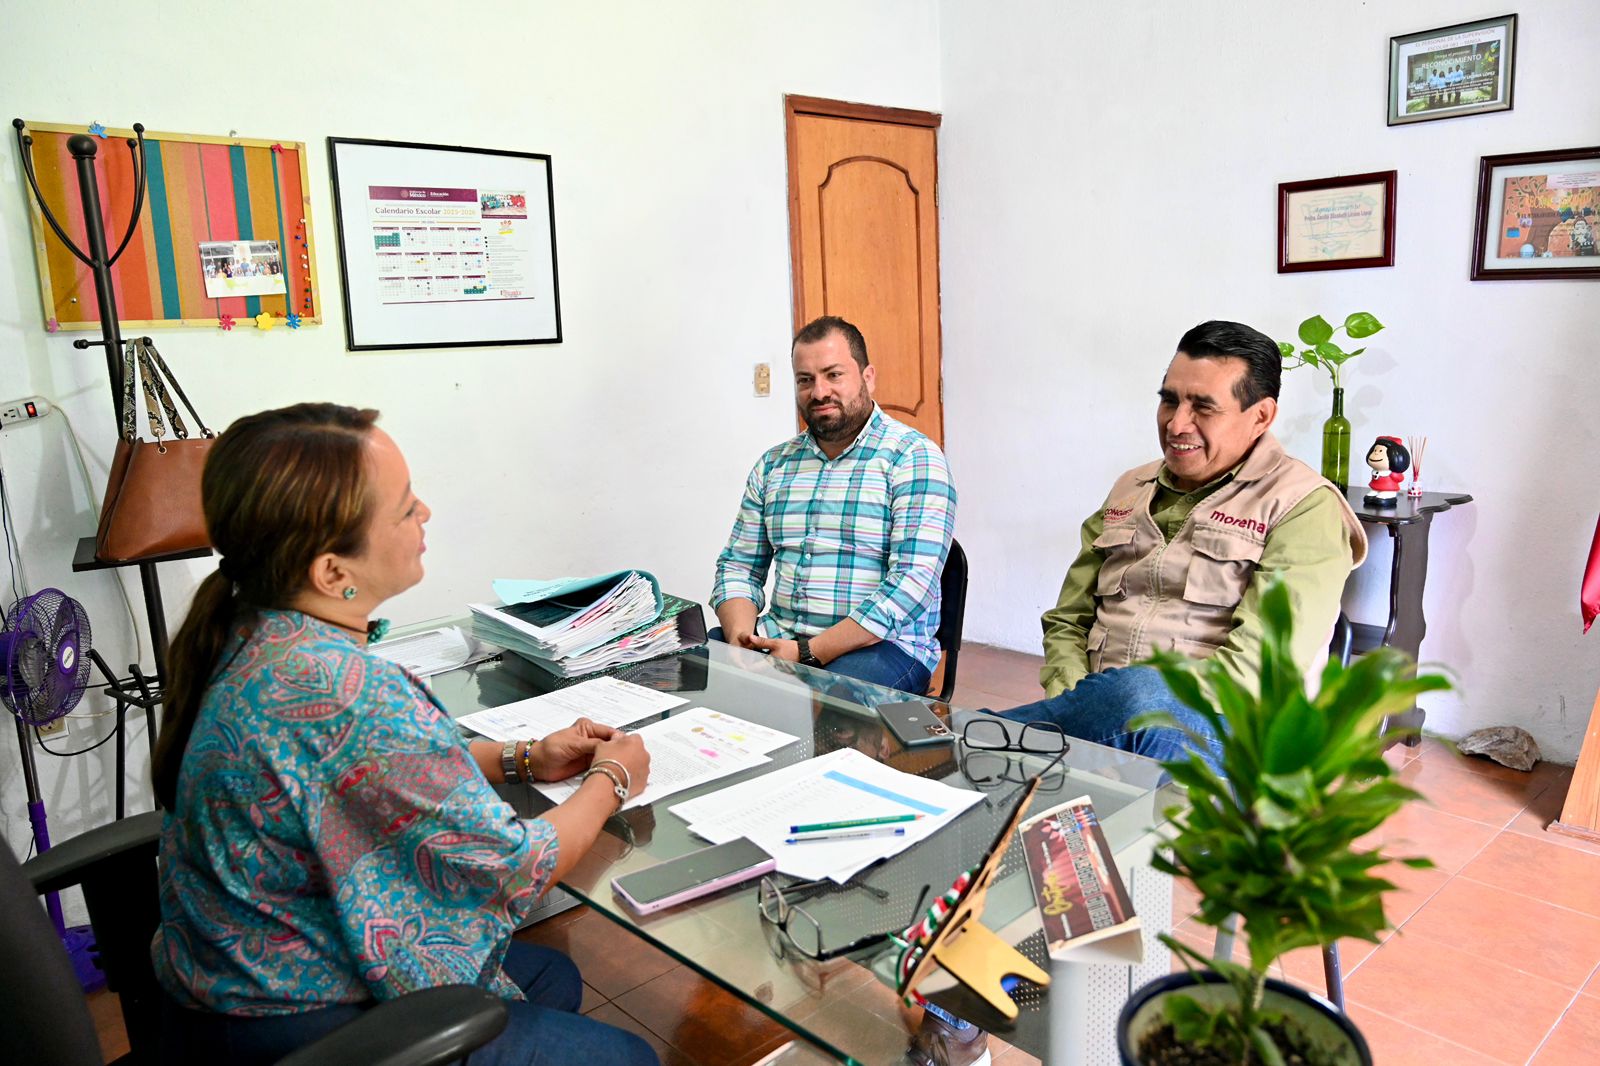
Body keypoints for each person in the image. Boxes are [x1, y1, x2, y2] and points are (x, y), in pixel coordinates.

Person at [148, 403, 658, 1065]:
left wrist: (524, 758)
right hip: (300, 1022)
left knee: (551, 976)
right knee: (630, 1057)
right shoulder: (345, 690)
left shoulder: (252, 628)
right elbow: (514, 871)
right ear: (333, 572)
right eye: (404, 507)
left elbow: (362, 774)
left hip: (226, 988)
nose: (426, 513)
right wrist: (613, 778)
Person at [989, 321, 1367, 772]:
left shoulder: (1303, 506)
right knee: (1052, 770)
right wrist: (1078, 701)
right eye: (1169, 400)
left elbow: (1258, 671)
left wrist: (1122, 700)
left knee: (1134, 702)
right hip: (1102, 712)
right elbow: (1069, 619)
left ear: (1261, 416)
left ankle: (972, 741)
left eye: (1204, 407)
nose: (1176, 423)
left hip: (1233, 732)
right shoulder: (1131, 487)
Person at [711, 315, 957, 696]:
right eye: (805, 380)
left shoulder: (913, 458)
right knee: (693, 664)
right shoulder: (773, 466)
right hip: (782, 638)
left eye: (833, 375)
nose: (819, 391)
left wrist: (808, 652)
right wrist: (741, 641)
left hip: (883, 649)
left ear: (868, 377)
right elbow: (738, 566)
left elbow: (911, 585)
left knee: (825, 704)